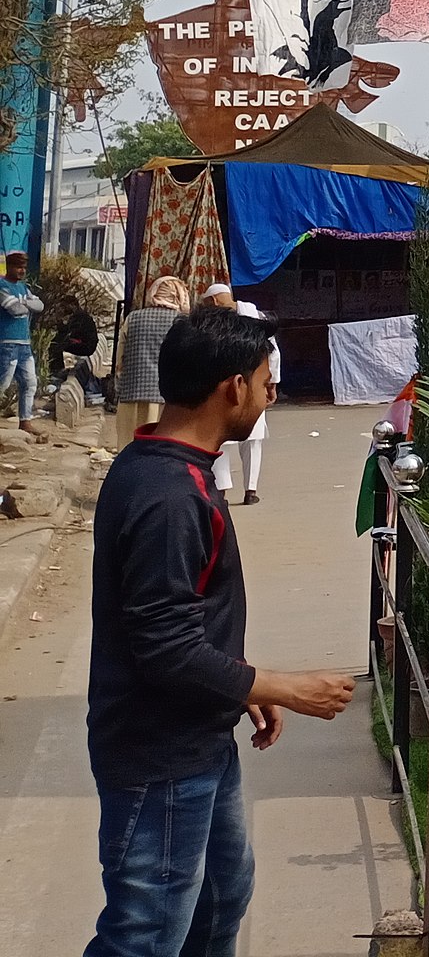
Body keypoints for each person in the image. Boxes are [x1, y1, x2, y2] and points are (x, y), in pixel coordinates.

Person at [87, 304, 355, 957]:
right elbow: (164, 649)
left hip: (198, 738)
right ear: (233, 386)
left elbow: (182, 622)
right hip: (161, 755)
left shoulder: (164, 464)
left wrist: (242, 688)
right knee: (145, 933)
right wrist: (286, 687)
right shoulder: (170, 497)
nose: (271, 396)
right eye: (267, 383)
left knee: (219, 898)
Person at [113, 275, 189, 449]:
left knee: (129, 447)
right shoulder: (183, 323)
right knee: (160, 450)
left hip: (131, 395)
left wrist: (120, 384)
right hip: (168, 401)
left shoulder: (133, 318)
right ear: (178, 295)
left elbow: (120, 357)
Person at [211, 326, 283, 505]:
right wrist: (271, 384)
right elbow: (274, 355)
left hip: (227, 389)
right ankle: (250, 490)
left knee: (222, 443)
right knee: (253, 442)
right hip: (252, 389)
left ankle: (221, 491)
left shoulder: (215, 325)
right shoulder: (258, 323)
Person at [0, 248, 42, 427]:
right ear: (9, 267)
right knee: (2, 383)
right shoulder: (2, 287)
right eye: (18, 267)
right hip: (7, 343)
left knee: (30, 382)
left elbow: (40, 305)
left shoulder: (22, 287)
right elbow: (16, 310)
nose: (22, 271)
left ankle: (25, 421)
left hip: (24, 344)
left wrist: (23, 302)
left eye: (24, 267)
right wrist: (27, 303)